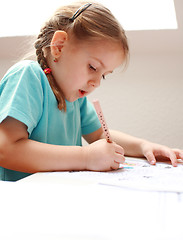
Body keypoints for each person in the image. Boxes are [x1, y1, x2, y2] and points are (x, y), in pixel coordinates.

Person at [0, 1, 182, 181]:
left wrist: (144, 146)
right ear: (59, 46)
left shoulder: (73, 96)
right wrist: (85, 157)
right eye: (93, 67)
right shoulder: (28, 76)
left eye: (103, 75)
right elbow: (6, 149)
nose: (96, 83)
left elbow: (99, 135)